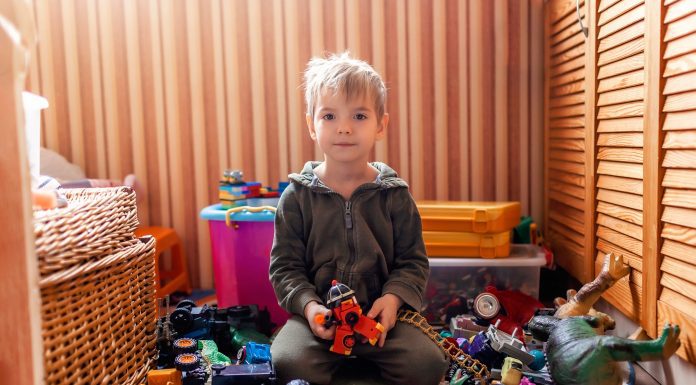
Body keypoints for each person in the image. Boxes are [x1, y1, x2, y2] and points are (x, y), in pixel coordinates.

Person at [269, 52, 448, 385]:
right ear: (311, 124)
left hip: (382, 321)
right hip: (319, 323)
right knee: (288, 363)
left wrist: (393, 301)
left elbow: (413, 262)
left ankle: (356, 368)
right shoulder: (296, 197)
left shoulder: (394, 195)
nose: (345, 127)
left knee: (428, 364)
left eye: (360, 116)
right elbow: (285, 268)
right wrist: (310, 308)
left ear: (381, 125)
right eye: (329, 116)